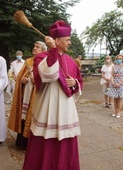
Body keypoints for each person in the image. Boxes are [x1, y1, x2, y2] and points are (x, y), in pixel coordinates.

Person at [22, 20, 83, 170]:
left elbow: (79, 82)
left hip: (66, 110)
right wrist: (53, 50)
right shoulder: (41, 57)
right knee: (45, 143)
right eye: (67, 40)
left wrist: (74, 83)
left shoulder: (70, 61)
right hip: (47, 108)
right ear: (57, 40)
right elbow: (47, 75)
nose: (69, 43)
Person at [8, 41, 47, 149]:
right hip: (27, 95)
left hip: (39, 95)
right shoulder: (28, 61)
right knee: (25, 118)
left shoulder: (45, 62)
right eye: (34, 46)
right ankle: (23, 143)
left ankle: (35, 146)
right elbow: (20, 76)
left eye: (37, 47)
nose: (34, 48)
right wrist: (23, 80)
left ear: (43, 51)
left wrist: (38, 81)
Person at [108, 54, 123, 118]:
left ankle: (119, 111)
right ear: (116, 59)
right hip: (114, 83)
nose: (119, 60)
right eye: (118, 59)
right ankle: (115, 111)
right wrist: (112, 82)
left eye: (120, 59)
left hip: (121, 84)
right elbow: (111, 75)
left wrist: (119, 83)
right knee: (115, 98)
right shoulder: (113, 66)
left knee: (119, 98)